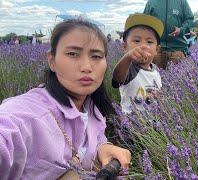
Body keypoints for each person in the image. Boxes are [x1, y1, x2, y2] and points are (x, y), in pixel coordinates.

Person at [0, 19, 131, 179]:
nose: (87, 67)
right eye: (72, 54)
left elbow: (92, 140)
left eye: (96, 56)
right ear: (52, 61)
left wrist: (102, 148)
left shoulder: (91, 107)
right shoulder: (28, 115)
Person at [112, 13, 164, 114]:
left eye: (149, 42)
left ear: (156, 49)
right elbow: (117, 77)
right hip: (132, 123)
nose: (143, 45)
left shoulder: (156, 70)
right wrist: (128, 57)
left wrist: (159, 97)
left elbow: (158, 89)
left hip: (153, 121)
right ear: (124, 47)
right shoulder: (129, 69)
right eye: (136, 41)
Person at [143, 0, 194, 69]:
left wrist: (181, 30)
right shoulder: (151, 2)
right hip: (156, 51)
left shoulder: (182, 1)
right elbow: (144, 23)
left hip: (177, 49)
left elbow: (190, 19)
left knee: (180, 78)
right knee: (155, 79)